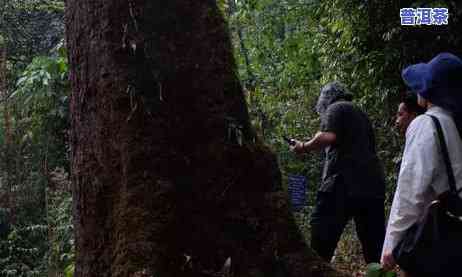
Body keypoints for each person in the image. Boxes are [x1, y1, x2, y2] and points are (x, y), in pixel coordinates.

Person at [381, 53, 462, 276]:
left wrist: (391, 244)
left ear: (429, 90)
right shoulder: (451, 122)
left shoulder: (426, 124)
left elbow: (410, 190)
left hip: (443, 239)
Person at [290, 81, 386, 263]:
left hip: (342, 185)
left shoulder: (336, 107)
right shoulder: (361, 114)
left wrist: (303, 146)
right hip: (372, 188)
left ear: (327, 99)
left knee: (320, 241)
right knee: (374, 250)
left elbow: (327, 136)